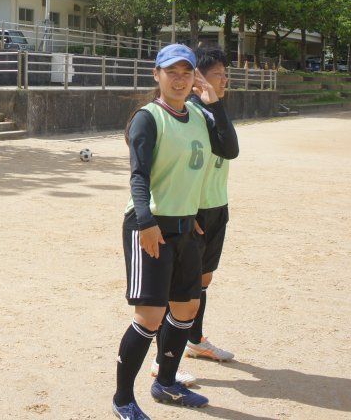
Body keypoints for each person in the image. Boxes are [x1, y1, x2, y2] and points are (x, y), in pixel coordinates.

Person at [112, 43, 239, 420]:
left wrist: (215, 102)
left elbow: (229, 149)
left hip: (186, 226)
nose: (179, 79)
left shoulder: (198, 114)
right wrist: (147, 223)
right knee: (150, 316)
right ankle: (123, 400)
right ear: (157, 75)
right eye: (172, 72)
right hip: (149, 226)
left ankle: (166, 382)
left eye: (186, 73)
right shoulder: (148, 118)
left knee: (186, 308)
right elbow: (138, 176)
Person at [149, 46, 239, 386]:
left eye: (225, 74)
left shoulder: (213, 110)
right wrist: (191, 212)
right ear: (199, 77)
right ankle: (162, 358)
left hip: (216, 206)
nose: (224, 80)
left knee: (202, 281)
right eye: (217, 75)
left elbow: (230, 150)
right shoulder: (190, 113)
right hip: (194, 210)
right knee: (177, 289)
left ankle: (195, 340)